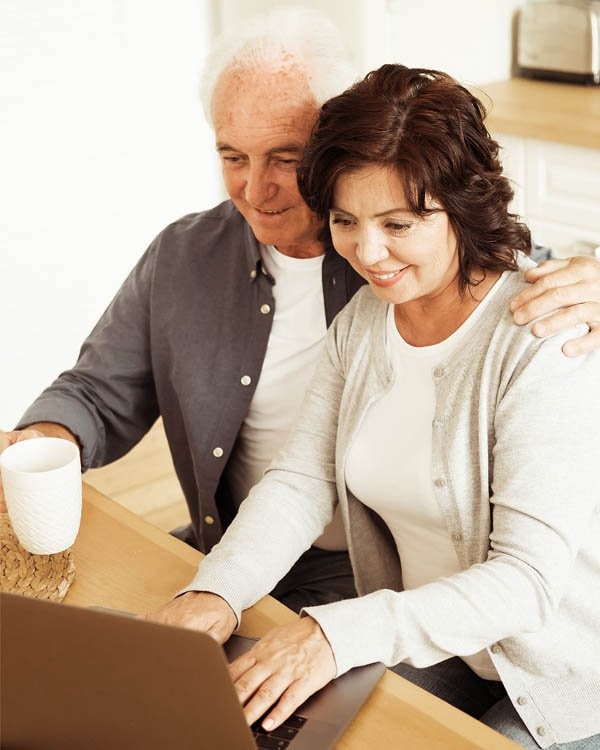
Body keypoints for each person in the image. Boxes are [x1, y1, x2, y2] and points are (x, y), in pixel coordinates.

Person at [1, 8, 599, 612]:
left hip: (368, 574)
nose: (254, 190)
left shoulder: (393, 268)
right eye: (234, 157)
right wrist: (37, 446)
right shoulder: (185, 257)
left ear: (336, 147)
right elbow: (98, 394)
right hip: (238, 546)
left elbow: (511, 273)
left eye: (285, 158)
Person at [148, 65, 600, 750]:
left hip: (558, 673)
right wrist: (216, 592)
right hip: (437, 644)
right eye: (345, 221)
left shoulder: (537, 338)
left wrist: (334, 632)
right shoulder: (363, 324)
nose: (368, 251)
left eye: (399, 223)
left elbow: (526, 582)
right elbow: (302, 483)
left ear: (463, 206)